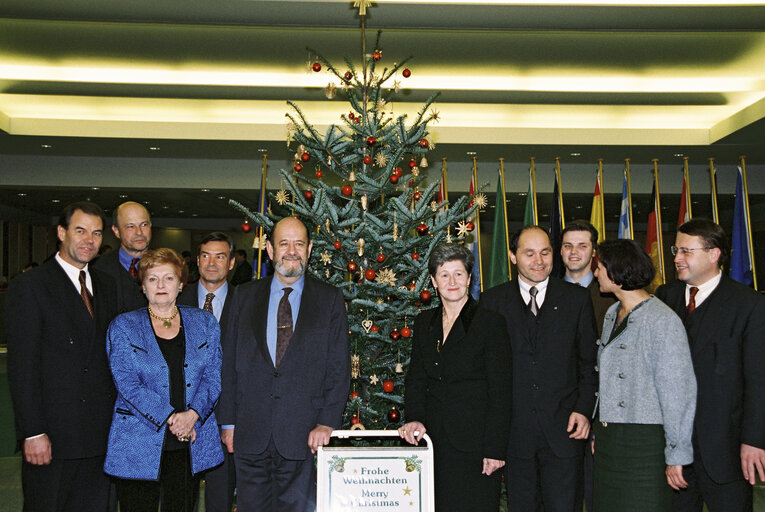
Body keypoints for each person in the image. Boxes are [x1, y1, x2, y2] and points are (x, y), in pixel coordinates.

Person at [218, 216, 350, 512]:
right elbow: (227, 363)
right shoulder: (243, 296)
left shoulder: (329, 299)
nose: (292, 251)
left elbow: (338, 366)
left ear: (310, 249)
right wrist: (228, 422)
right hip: (249, 431)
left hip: (303, 434)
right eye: (284, 244)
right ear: (269, 249)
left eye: (299, 244)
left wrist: (327, 421)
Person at [5, 201, 118, 511]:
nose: (88, 241)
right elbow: (22, 367)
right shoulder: (30, 286)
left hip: (99, 433)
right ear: (60, 232)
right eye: (80, 231)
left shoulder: (107, 286)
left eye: (96, 233)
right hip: (53, 435)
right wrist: (33, 431)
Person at [480, 225, 598, 512]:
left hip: (564, 433)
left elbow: (589, 363)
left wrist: (584, 410)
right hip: (515, 435)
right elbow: (486, 373)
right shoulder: (491, 302)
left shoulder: (576, 299)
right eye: (529, 253)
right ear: (512, 256)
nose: (539, 261)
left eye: (545, 252)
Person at [656, 219, 765, 512]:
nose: (676, 258)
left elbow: (758, 378)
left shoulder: (749, 305)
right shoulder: (665, 298)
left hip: (726, 452)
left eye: (686, 251)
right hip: (675, 451)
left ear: (714, 254)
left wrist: (754, 439)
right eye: (675, 250)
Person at [104, 248, 223, 511]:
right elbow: (127, 384)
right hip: (138, 441)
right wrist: (173, 417)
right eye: (152, 279)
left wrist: (192, 415)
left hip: (188, 441)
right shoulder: (123, 326)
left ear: (180, 284)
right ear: (143, 286)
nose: (161, 285)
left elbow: (213, 377)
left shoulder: (205, 323)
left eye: (168, 278)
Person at [398, 244, 512, 512]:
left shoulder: (490, 323)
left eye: (459, 274)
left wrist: (495, 449)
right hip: (433, 443)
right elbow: (416, 379)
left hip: (476, 446)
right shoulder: (423, 323)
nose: (452, 281)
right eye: (444, 274)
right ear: (433, 281)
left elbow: (502, 390)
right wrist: (414, 417)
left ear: (470, 279)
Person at [593, 238, 697, 511]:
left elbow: (678, 394)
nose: (595, 273)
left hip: (644, 446)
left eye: (599, 267)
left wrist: (677, 455)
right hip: (609, 442)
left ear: (616, 272)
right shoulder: (612, 313)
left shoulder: (662, 320)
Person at [178, 232, 237, 512]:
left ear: (232, 262)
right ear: (197, 261)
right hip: (180, 418)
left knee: (220, 498)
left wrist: (232, 422)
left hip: (226, 420)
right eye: (205, 255)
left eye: (220, 256)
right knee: (179, 497)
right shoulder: (175, 299)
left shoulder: (248, 302)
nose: (212, 263)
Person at [560, 220, 616, 512]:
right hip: (557, 420)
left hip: (599, 418)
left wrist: (598, 423)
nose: (574, 252)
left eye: (582, 245)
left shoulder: (612, 296)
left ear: (594, 251)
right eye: (567, 245)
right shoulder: (546, 292)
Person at [93, 201, 152, 314]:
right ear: (116, 231)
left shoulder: (166, 265)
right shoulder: (99, 269)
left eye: (144, 224)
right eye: (130, 226)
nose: (139, 232)